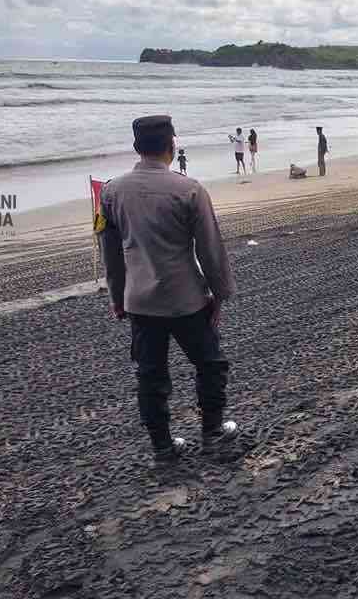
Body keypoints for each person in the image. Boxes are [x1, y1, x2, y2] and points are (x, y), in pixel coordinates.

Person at [97, 115, 238, 462]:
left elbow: (110, 254)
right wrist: (219, 294)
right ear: (172, 145)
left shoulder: (111, 191)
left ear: (136, 148)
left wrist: (118, 298)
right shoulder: (189, 190)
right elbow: (210, 248)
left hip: (140, 300)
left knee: (150, 373)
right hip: (186, 298)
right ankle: (212, 433)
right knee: (209, 364)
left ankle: (162, 445)